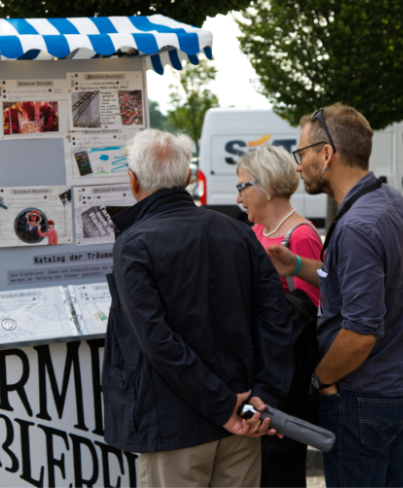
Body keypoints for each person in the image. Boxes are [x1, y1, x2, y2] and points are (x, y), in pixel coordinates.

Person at [102, 129, 294, 487]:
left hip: (176, 424)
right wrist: (262, 397)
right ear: (188, 178)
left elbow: (157, 340)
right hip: (243, 415)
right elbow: (275, 317)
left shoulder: (134, 245)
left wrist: (224, 405)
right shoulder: (238, 233)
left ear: (133, 180)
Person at [268, 104, 403, 487]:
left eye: (302, 153)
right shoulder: (388, 200)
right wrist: (295, 265)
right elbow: (358, 288)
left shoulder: (357, 224)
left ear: (326, 154)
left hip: (364, 397)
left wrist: (320, 380)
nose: (297, 165)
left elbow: (360, 332)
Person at [235, 145, 322, 488]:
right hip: (261, 374)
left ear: (266, 186)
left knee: (282, 471)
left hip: (287, 381)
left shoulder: (300, 236)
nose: (238, 196)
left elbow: (312, 312)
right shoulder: (254, 232)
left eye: (243, 186)